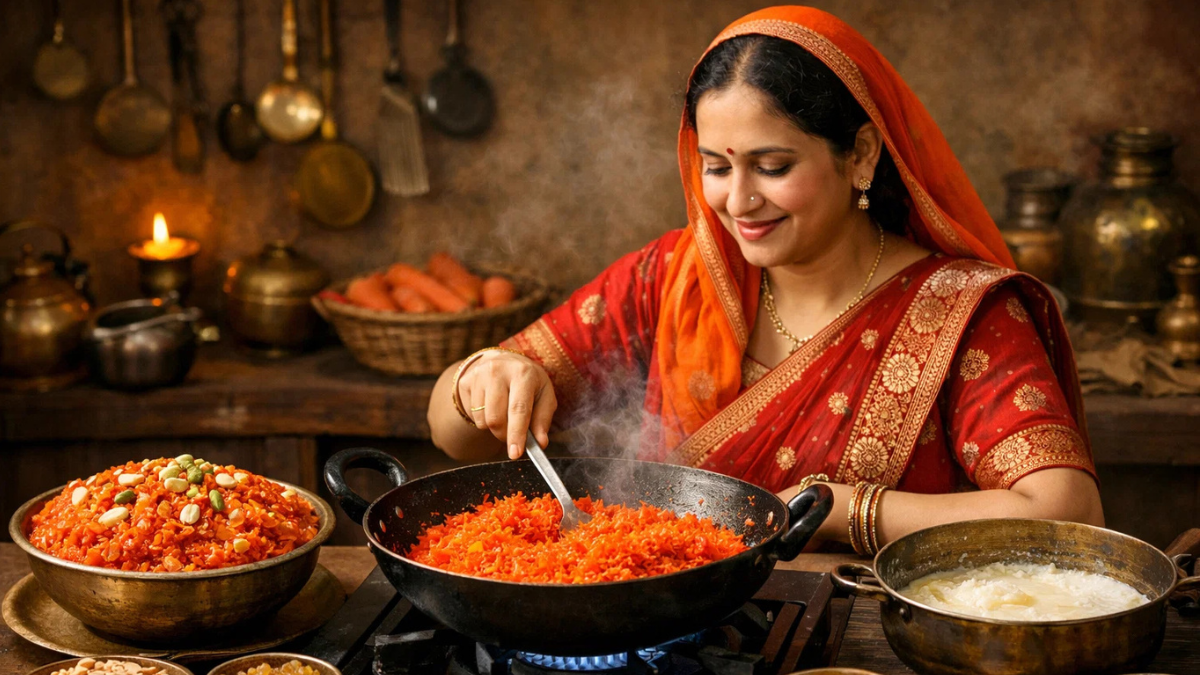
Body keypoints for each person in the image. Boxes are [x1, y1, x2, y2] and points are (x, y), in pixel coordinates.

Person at [427, 6, 1103, 555]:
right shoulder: (673, 277)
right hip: (670, 633)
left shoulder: (959, 312)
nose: (738, 200)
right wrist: (480, 378)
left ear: (860, 155)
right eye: (716, 166)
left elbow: (1067, 513)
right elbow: (452, 434)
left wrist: (842, 508)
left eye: (772, 165)